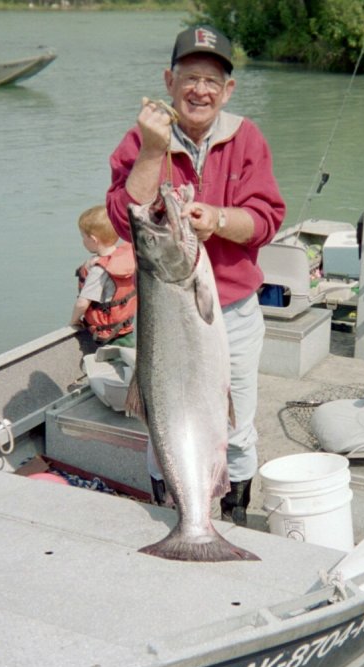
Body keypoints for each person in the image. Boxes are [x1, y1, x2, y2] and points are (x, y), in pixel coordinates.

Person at [106, 25, 286, 526]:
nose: (200, 90)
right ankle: (177, 517)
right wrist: (151, 150)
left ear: (228, 90)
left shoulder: (246, 138)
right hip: (165, 312)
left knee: (237, 426)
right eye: (189, 77)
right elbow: (126, 220)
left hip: (234, 312)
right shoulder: (143, 138)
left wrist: (221, 220)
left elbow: (266, 220)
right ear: (169, 80)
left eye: (212, 80)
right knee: (162, 422)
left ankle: (231, 518)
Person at [70, 205, 137, 347]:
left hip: (105, 337)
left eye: (83, 237)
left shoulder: (99, 271)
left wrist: (73, 321)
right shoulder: (124, 259)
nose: (82, 241)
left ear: (94, 240)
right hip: (126, 330)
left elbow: (82, 303)